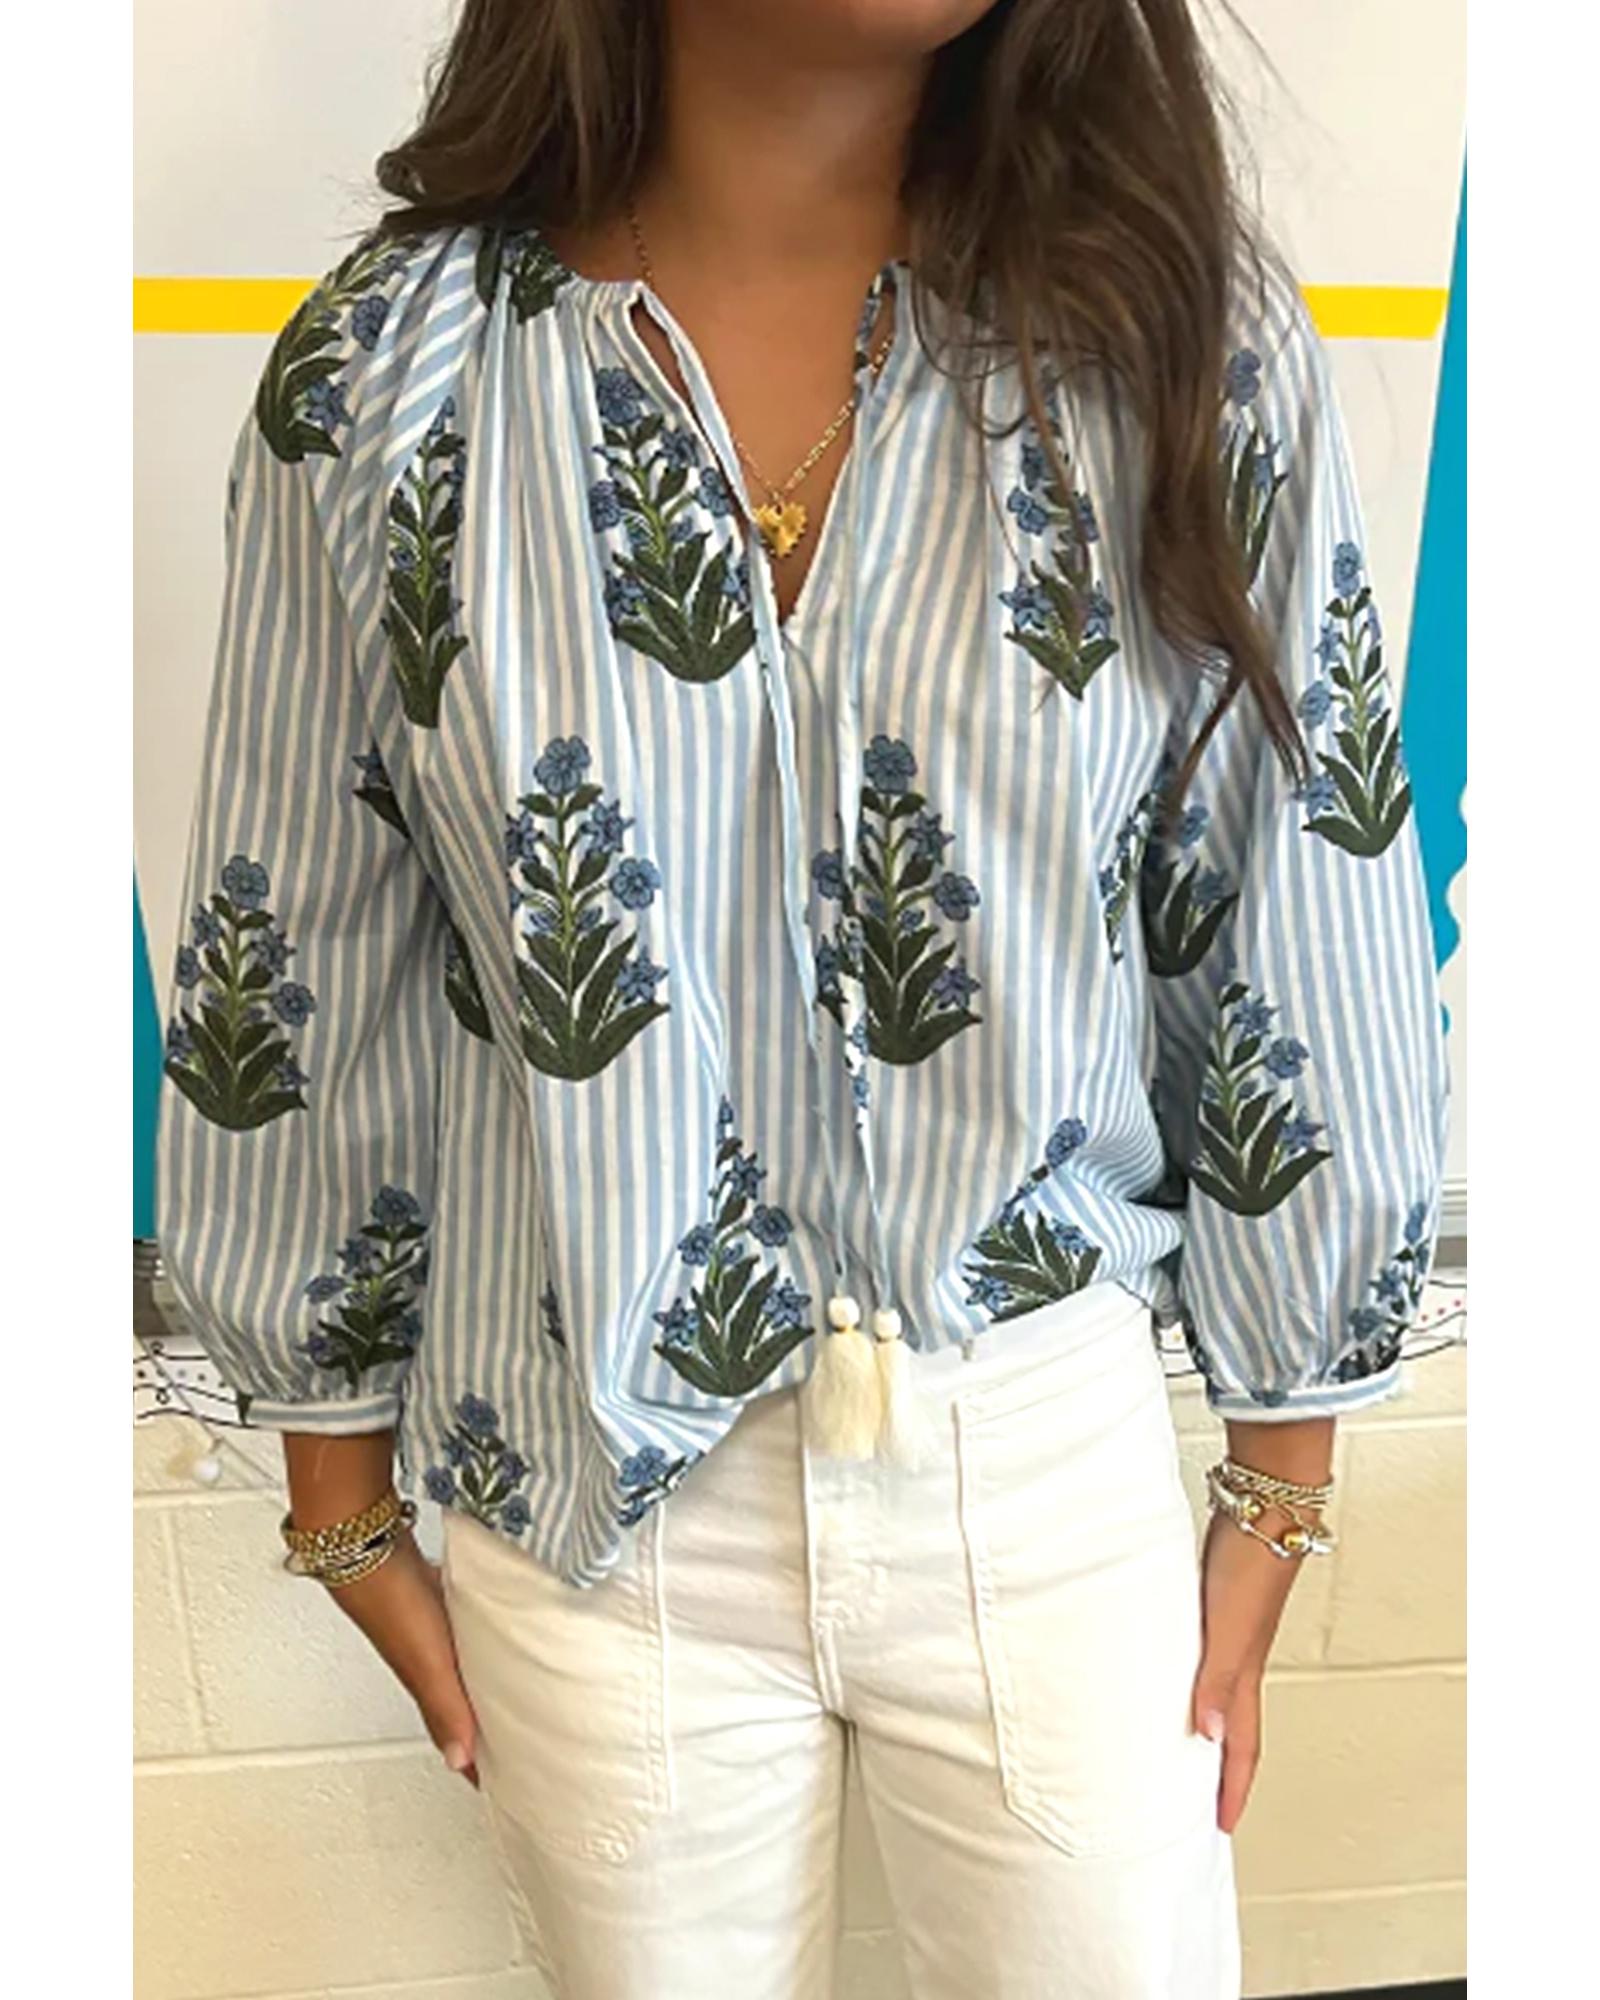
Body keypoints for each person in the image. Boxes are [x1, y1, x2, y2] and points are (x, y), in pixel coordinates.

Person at [153, 2, 1450, 1994]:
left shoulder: (1169, 341)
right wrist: (333, 1477)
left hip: (1035, 1451)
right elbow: (297, 918)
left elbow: (1297, 877)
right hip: (587, 1475)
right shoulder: (394, 376)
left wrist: (1284, 1467)